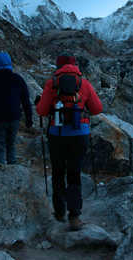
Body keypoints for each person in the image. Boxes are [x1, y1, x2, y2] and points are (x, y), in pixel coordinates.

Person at [36, 54, 103, 231]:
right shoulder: (84, 83)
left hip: (56, 134)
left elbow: (42, 111)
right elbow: (97, 109)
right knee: (74, 173)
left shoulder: (52, 83)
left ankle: (59, 212)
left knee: (58, 172)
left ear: (58, 66)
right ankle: (74, 216)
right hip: (79, 134)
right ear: (75, 66)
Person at [0, 51, 33, 164]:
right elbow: (26, 101)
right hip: (14, 118)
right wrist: (29, 119)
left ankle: (0, 171)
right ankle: (12, 166)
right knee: (11, 144)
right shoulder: (18, 79)